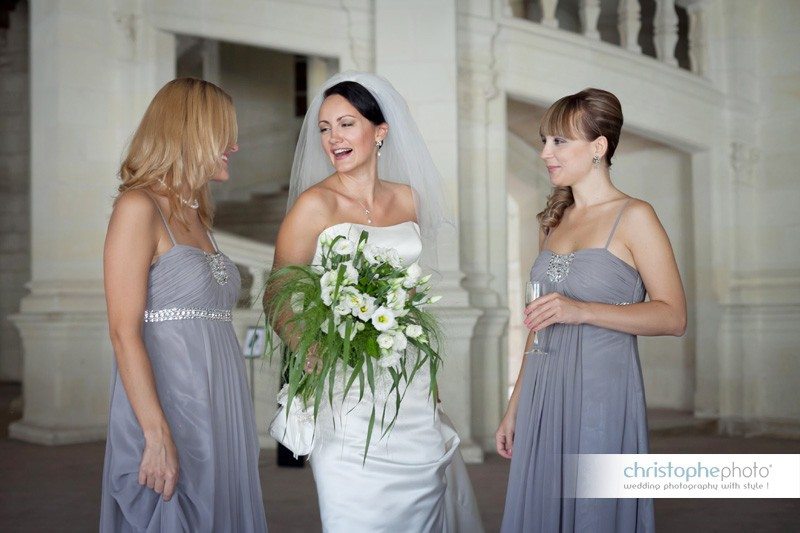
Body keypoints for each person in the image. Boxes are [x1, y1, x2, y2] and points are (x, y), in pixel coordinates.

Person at [269, 71, 483, 533]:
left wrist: (425, 373)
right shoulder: (314, 206)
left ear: (380, 131)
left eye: (346, 124)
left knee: (423, 504)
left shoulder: (409, 200)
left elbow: (410, 295)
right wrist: (305, 345)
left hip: (407, 383)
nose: (333, 138)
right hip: (342, 383)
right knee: (354, 514)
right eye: (325, 128)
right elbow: (276, 293)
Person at [497, 88, 686, 532]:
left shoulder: (635, 215)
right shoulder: (554, 219)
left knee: (593, 512)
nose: (545, 153)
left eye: (559, 141)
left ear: (598, 147)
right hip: (545, 387)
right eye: (545, 141)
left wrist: (582, 310)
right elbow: (539, 322)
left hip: (601, 390)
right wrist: (515, 405)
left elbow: (673, 317)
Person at [100, 78, 268, 532]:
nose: (233, 145)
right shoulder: (138, 207)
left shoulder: (197, 214)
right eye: (223, 133)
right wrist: (155, 432)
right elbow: (123, 331)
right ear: (190, 132)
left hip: (220, 396)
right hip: (170, 399)